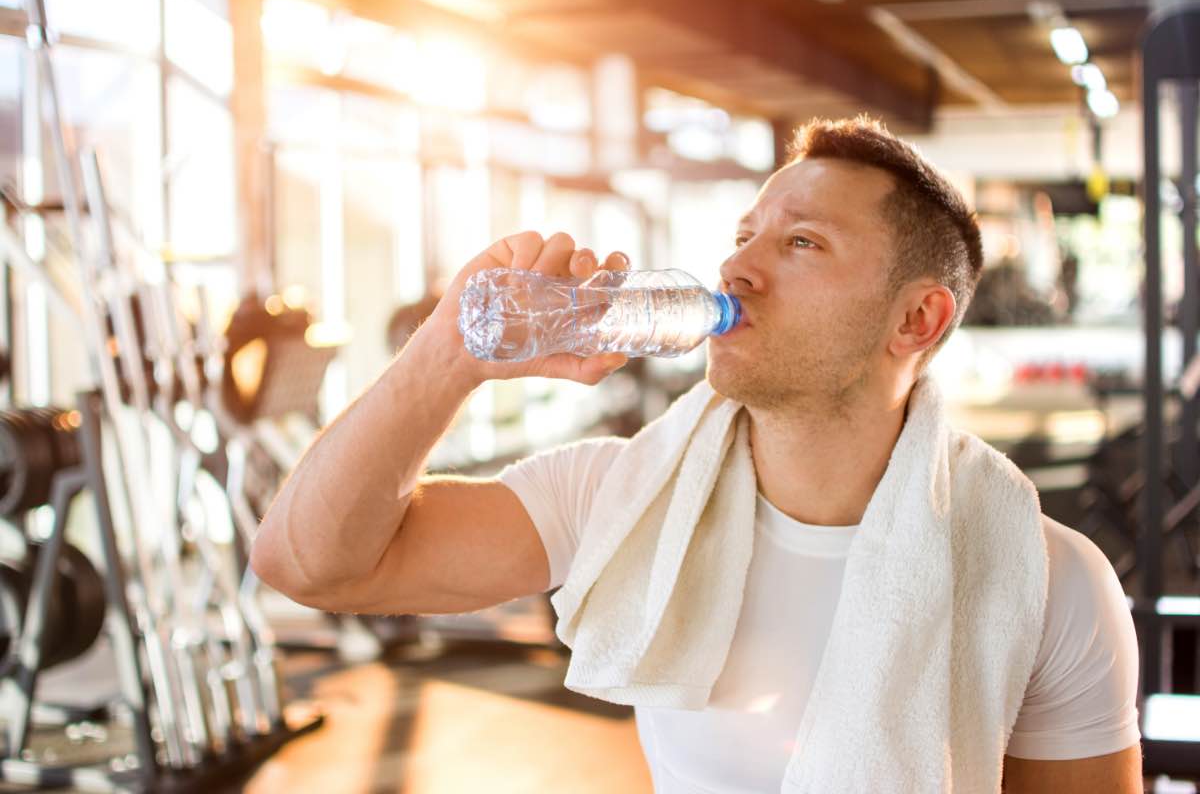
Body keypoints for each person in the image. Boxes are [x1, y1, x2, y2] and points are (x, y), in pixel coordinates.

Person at [250, 117, 1142, 792]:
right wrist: (449, 353)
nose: (738, 272)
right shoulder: (619, 498)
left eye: (800, 243)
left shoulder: (1046, 580)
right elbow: (308, 566)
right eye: (743, 237)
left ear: (917, 320)